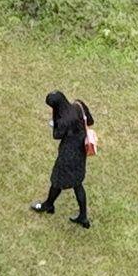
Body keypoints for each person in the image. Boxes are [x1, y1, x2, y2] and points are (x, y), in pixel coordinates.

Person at [32, 92, 94, 226]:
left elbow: (56, 135)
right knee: (77, 183)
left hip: (68, 154)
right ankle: (83, 217)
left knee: (57, 180)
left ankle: (48, 205)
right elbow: (90, 121)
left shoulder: (63, 120)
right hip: (80, 151)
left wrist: (55, 118)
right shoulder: (79, 105)